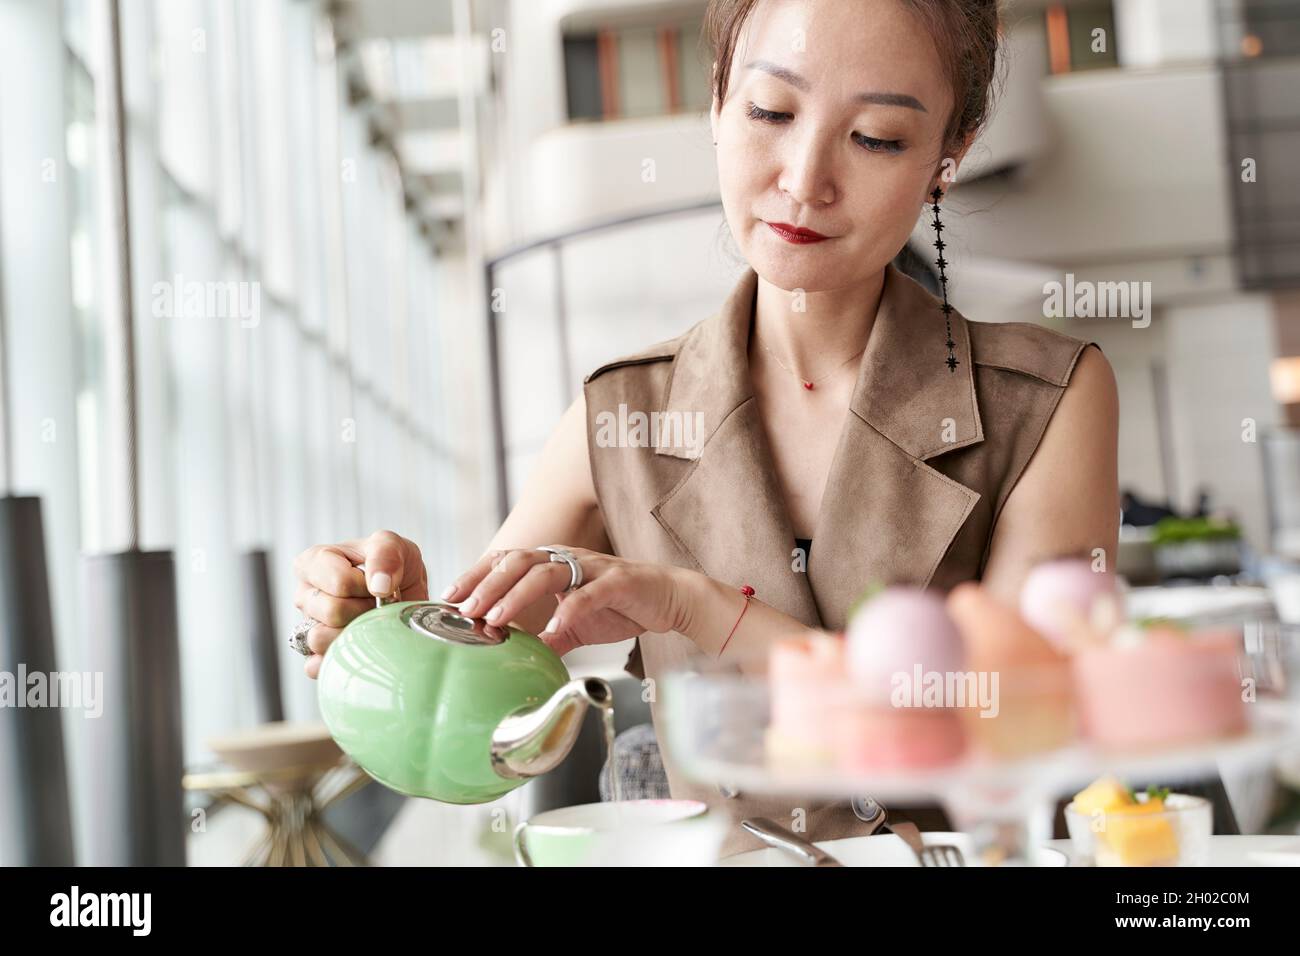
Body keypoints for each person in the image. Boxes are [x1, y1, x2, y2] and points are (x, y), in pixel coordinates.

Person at [291, 0, 1119, 857]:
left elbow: (1017, 735)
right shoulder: (620, 420)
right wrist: (381, 629)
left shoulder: (1048, 399)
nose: (804, 178)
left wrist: (694, 606)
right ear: (718, 101)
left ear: (952, 154)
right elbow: (467, 738)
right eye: (770, 111)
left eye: (875, 137)